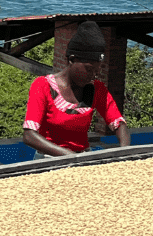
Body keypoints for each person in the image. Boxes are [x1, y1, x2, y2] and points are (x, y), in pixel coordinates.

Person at [22, 20, 131, 156]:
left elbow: (119, 124)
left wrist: (124, 151)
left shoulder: (96, 89)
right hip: (48, 159)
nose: (93, 75)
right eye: (89, 69)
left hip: (82, 157)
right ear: (72, 60)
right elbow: (29, 135)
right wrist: (70, 157)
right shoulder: (43, 86)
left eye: (97, 71)